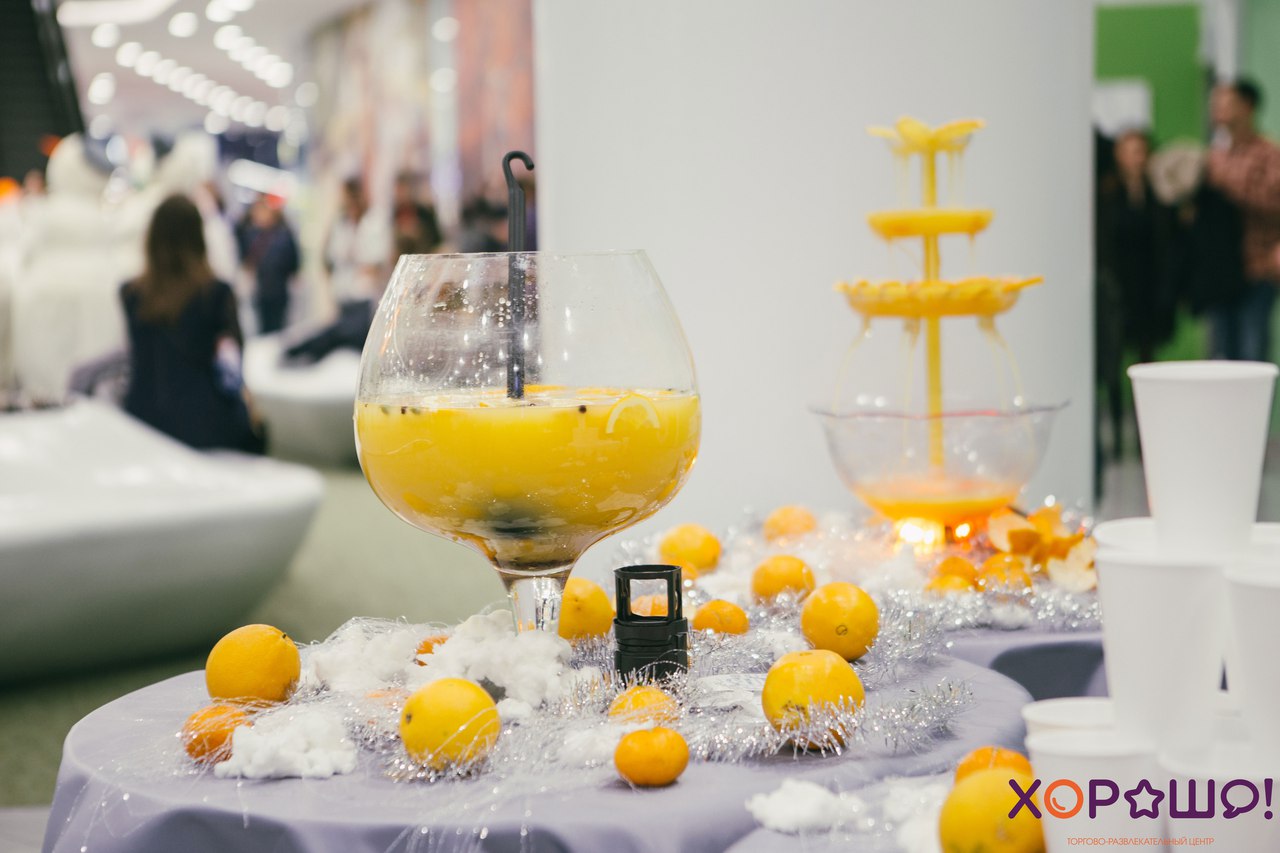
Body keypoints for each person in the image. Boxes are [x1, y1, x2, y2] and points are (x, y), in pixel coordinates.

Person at [120, 194, 262, 452]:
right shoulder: (216, 295)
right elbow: (231, 368)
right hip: (203, 426)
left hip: (143, 422)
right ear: (199, 237)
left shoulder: (130, 295)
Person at [1204, 79, 1280, 362]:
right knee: (1220, 355)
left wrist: (1225, 188)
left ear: (1247, 106)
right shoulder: (1216, 156)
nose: (1217, 109)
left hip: (1258, 268)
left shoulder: (1269, 154)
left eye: (1225, 102)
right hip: (1220, 270)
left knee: (1252, 353)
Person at [326, 177, 391, 307]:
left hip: (366, 294)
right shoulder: (341, 224)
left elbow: (378, 260)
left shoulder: (374, 222)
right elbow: (333, 256)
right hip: (342, 293)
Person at [239, 196, 300, 334]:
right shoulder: (251, 234)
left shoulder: (284, 235)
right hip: (259, 291)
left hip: (278, 290)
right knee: (261, 328)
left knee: (278, 327)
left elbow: (293, 262)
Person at [392, 172, 443, 255]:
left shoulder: (425, 214)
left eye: (403, 189)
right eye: (398, 190)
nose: (400, 194)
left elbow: (438, 242)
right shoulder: (394, 214)